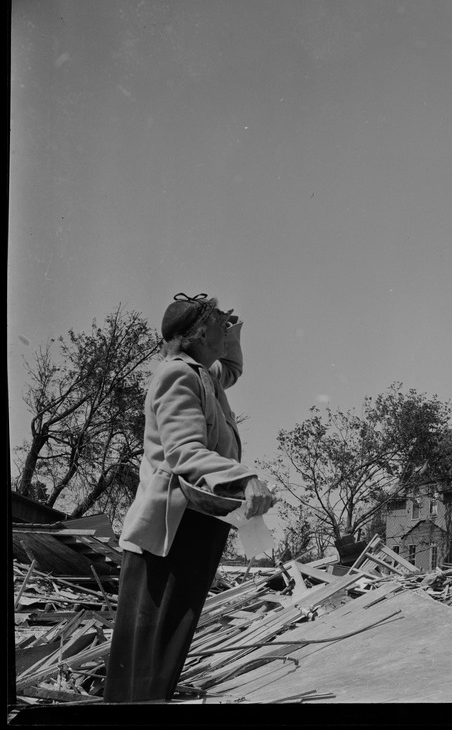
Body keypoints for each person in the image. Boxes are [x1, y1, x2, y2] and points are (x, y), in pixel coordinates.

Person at [104, 292, 275, 702]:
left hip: (192, 525)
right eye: (217, 322)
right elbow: (184, 452)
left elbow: (231, 367)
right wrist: (245, 479)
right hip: (168, 534)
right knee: (147, 660)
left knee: (163, 657)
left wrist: (229, 330)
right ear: (197, 334)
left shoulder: (203, 373)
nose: (223, 327)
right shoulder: (177, 375)